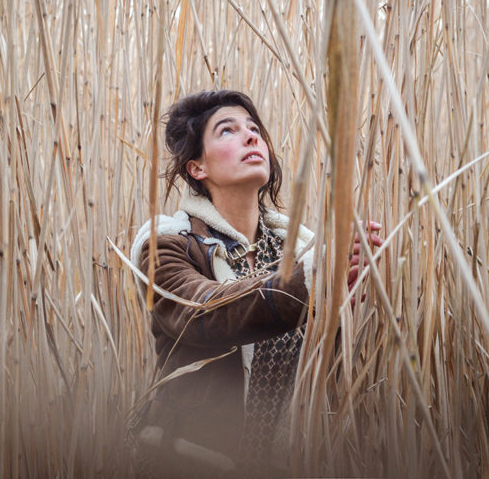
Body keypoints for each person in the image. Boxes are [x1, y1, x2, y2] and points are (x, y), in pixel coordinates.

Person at [129, 90, 381, 477]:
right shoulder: (166, 245)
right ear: (197, 167)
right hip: (186, 463)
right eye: (227, 130)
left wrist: (338, 299)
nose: (250, 137)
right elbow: (205, 311)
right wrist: (314, 278)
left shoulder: (299, 250)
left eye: (254, 129)